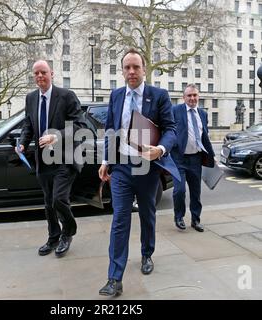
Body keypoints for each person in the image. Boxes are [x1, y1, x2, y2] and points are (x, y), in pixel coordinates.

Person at [98, 48, 179, 297]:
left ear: (144, 69)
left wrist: (161, 149)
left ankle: (147, 254)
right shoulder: (116, 95)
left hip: (147, 168)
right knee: (120, 218)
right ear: (122, 71)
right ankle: (114, 277)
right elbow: (111, 129)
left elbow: (171, 129)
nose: (131, 72)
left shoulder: (159, 96)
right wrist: (105, 160)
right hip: (121, 167)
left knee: (147, 215)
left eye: (136, 67)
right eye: (127, 67)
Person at [17, 60, 86, 258]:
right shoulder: (31, 98)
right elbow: (28, 125)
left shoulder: (66, 96)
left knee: (58, 199)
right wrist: (22, 142)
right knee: (48, 203)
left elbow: (80, 126)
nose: (40, 76)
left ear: (52, 73)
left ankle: (68, 232)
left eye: (43, 72)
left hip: (64, 158)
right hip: (43, 159)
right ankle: (53, 236)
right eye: (36, 73)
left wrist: (56, 136)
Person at [171, 84, 215, 232]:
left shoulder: (203, 114)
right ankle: (179, 217)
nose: (192, 98)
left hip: (196, 159)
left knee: (196, 192)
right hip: (179, 159)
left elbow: (205, 136)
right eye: (189, 95)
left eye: (195, 95)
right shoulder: (175, 110)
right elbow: (168, 131)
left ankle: (196, 220)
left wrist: (211, 156)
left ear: (199, 97)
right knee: (179, 191)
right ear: (183, 98)